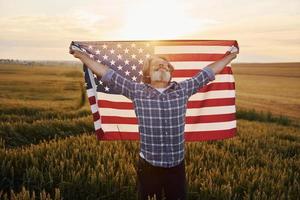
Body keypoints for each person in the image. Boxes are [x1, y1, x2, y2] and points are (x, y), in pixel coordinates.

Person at [69, 44, 238, 200]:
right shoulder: (137, 91)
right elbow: (107, 74)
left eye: (165, 65)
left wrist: (230, 56)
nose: (162, 66)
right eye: (156, 65)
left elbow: (207, 73)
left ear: (171, 72)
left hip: (176, 166)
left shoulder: (183, 89)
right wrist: (82, 56)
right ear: (148, 73)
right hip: (148, 166)